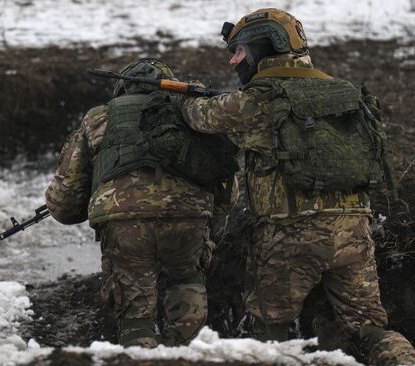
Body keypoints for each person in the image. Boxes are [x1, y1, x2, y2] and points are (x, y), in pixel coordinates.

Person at [180, 8, 415, 366]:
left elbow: (199, 116)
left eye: (238, 51)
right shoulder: (343, 93)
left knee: (265, 334)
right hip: (354, 231)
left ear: (262, 47)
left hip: (289, 236)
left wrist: (186, 97)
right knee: (369, 329)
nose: (233, 62)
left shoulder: (259, 99)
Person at [45, 58, 237, 347]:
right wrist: (209, 222)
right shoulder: (191, 111)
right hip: (188, 218)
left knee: (135, 310)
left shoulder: (98, 118)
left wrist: (96, 202)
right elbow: (226, 185)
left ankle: (140, 354)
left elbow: (64, 200)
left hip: (125, 224)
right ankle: (187, 353)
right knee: (186, 288)